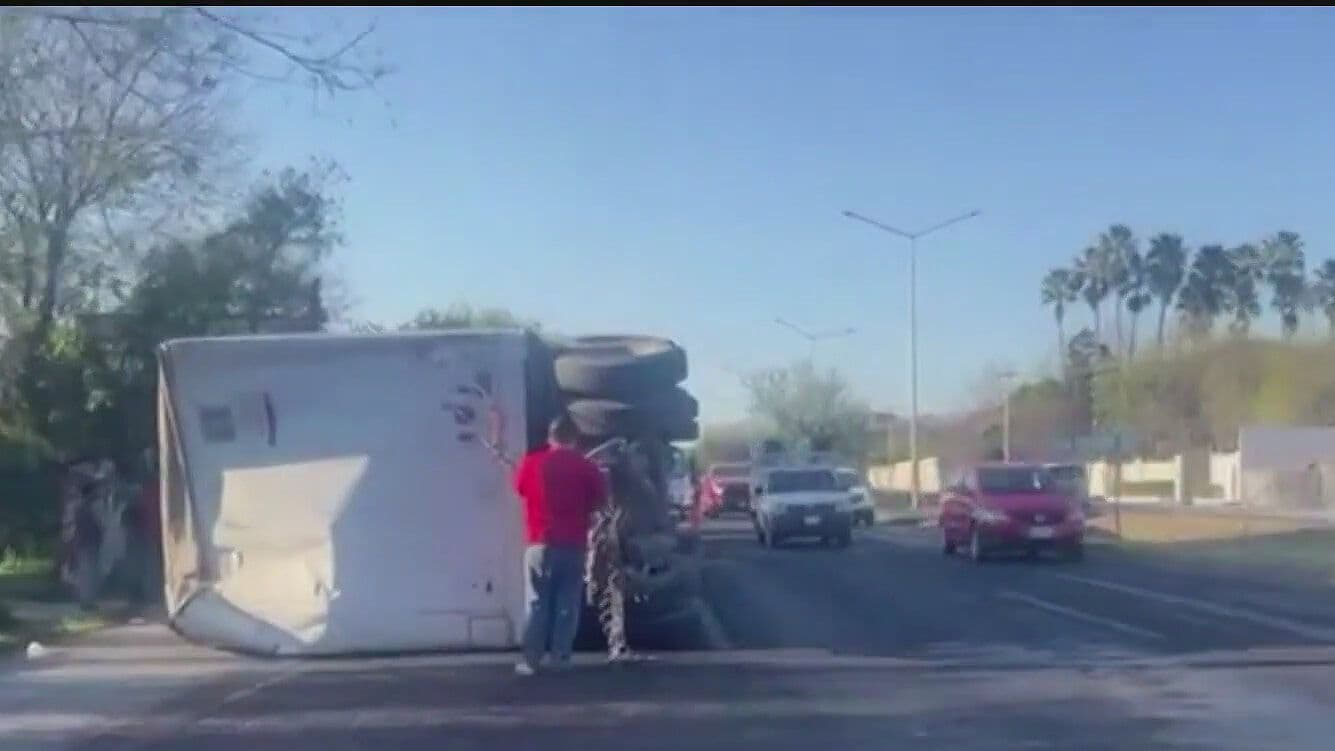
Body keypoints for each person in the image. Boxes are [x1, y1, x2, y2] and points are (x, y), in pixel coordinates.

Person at [511, 413, 607, 675]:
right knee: (567, 602)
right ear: (575, 439)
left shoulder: (532, 463)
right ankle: (561, 658)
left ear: (550, 437)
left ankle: (531, 661)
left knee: (537, 603)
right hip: (573, 544)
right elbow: (600, 501)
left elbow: (520, 489)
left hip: (539, 543)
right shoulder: (586, 467)